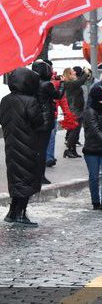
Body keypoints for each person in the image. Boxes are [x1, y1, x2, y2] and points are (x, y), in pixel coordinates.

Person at [0, 68, 44, 226]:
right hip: (28, 146)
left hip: (12, 146)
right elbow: (39, 123)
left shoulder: (5, 100)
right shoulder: (30, 101)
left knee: (17, 179)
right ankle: (20, 214)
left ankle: (12, 212)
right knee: (26, 179)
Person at [62, 66, 91, 158]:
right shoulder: (69, 83)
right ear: (69, 74)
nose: (74, 72)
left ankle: (73, 150)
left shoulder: (72, 82)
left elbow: (79, 80)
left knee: (75, 131)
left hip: (77, 109)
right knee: (74, 131)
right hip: (74, 111)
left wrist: (84, 73)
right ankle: (68, 150)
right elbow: (80, 81)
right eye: (72, 71)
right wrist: (86, 73)